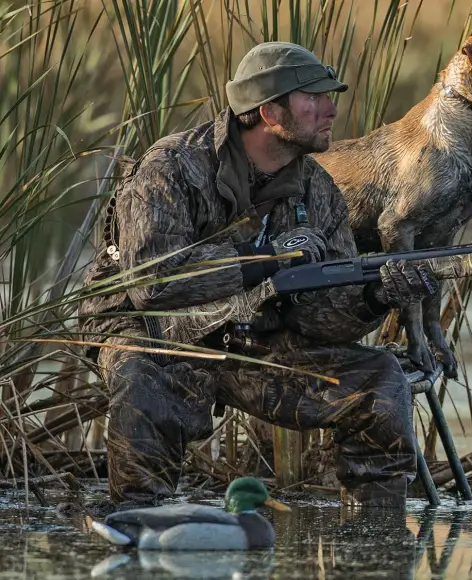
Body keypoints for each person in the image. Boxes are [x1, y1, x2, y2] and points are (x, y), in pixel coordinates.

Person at [78, 41, 441, 509]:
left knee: (379, 379)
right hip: (149, 331)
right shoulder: (171, 168)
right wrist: (264, 258)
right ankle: (137, 522)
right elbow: (155, 286)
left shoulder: (318, 189)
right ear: (269, 112)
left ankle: (376, 534)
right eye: (314, 97)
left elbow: (322, 320)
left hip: (252, 341)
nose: (331, 109)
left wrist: (376, 297)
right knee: (141, 373)